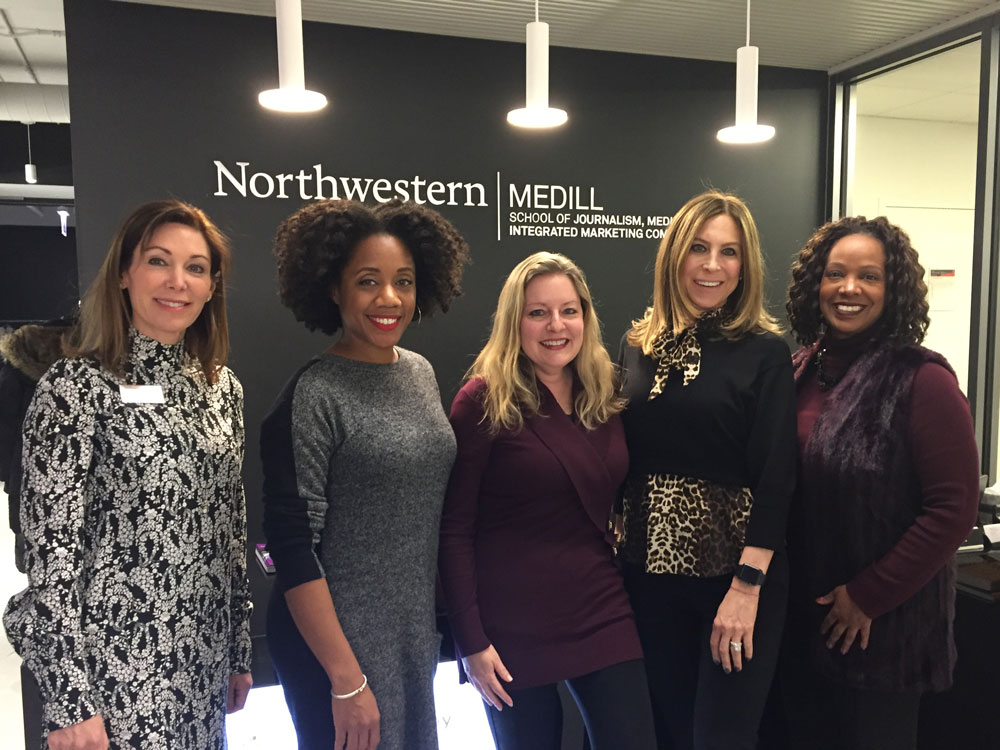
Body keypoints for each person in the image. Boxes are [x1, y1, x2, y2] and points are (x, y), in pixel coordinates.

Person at [3, 199, 253, 750]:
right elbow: (53, 557)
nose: (177, 282)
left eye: (195, 267)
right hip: (111, 670)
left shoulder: (222, 389)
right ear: (124, 272)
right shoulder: (74, 389)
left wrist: (238, 651)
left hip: (202, 661)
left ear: (213, 286)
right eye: (159, 261)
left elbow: (229, 533)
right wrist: (70, 700)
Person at [261, 199, 469, 750]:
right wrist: (346, 680)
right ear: (333, 288)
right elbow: (293, 546)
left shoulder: (420, 373)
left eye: (404, 281)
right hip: (335, 646)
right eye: (368, 281)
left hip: (408, 631)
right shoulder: (315, 393)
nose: (389, 299)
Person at [439, 251, 657, 750]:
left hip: (601, 605)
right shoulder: (482, 401)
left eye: (569, 310)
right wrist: (470, 641)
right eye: (538, 312)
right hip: (511, 621)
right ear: (514, 321)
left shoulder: (604, 393)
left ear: (585, 317)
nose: (556, 325)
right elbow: (454, 530)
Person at [780, 216, 979, 750]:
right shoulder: (798, 369)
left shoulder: (923, 379)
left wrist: (868, 596)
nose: (849, 288)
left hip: (880, 634)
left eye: (869, 276)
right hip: (798, 628)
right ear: (813, 285)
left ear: (893, 292)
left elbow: (954, 509)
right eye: (835, 274)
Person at [617, 191, 796, 750]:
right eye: (698, 248)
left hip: (736, 577)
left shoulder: (765, 350)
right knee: (665, 728)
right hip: (650, 575)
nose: (713, 265)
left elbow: (777, 475)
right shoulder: (636, 344)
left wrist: (746, 588)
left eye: (729, 252)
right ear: (674, 255)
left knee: (722, 735)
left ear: (746, 266)